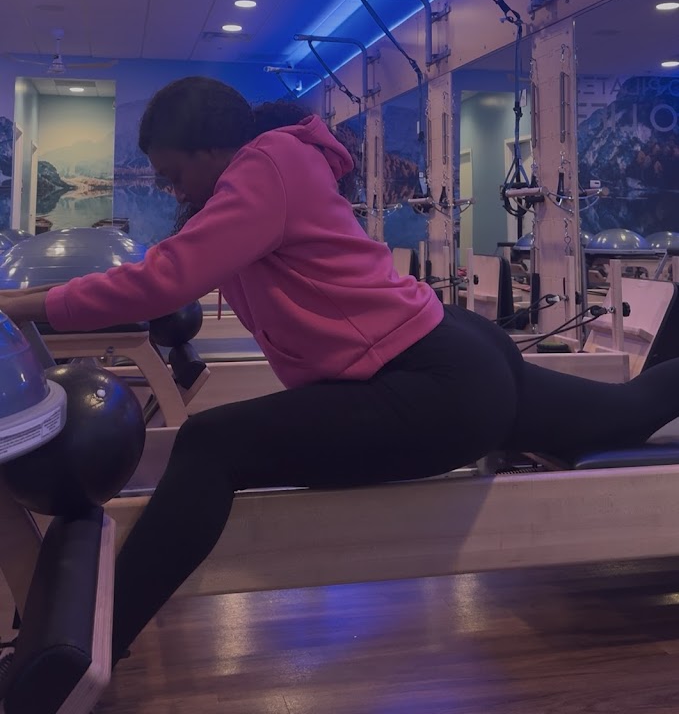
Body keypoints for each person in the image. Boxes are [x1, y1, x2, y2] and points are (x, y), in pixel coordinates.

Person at [1, 74, 679, 665]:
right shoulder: (265, 174)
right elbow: (166, 268)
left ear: (212, 149)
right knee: (626, 414)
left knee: (211, 445)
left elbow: (161, 283)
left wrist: (18, 303)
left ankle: (85, 654)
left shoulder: (264, 166)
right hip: (453, 353)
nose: (169, 187)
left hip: (433, 380)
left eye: (173, 172)